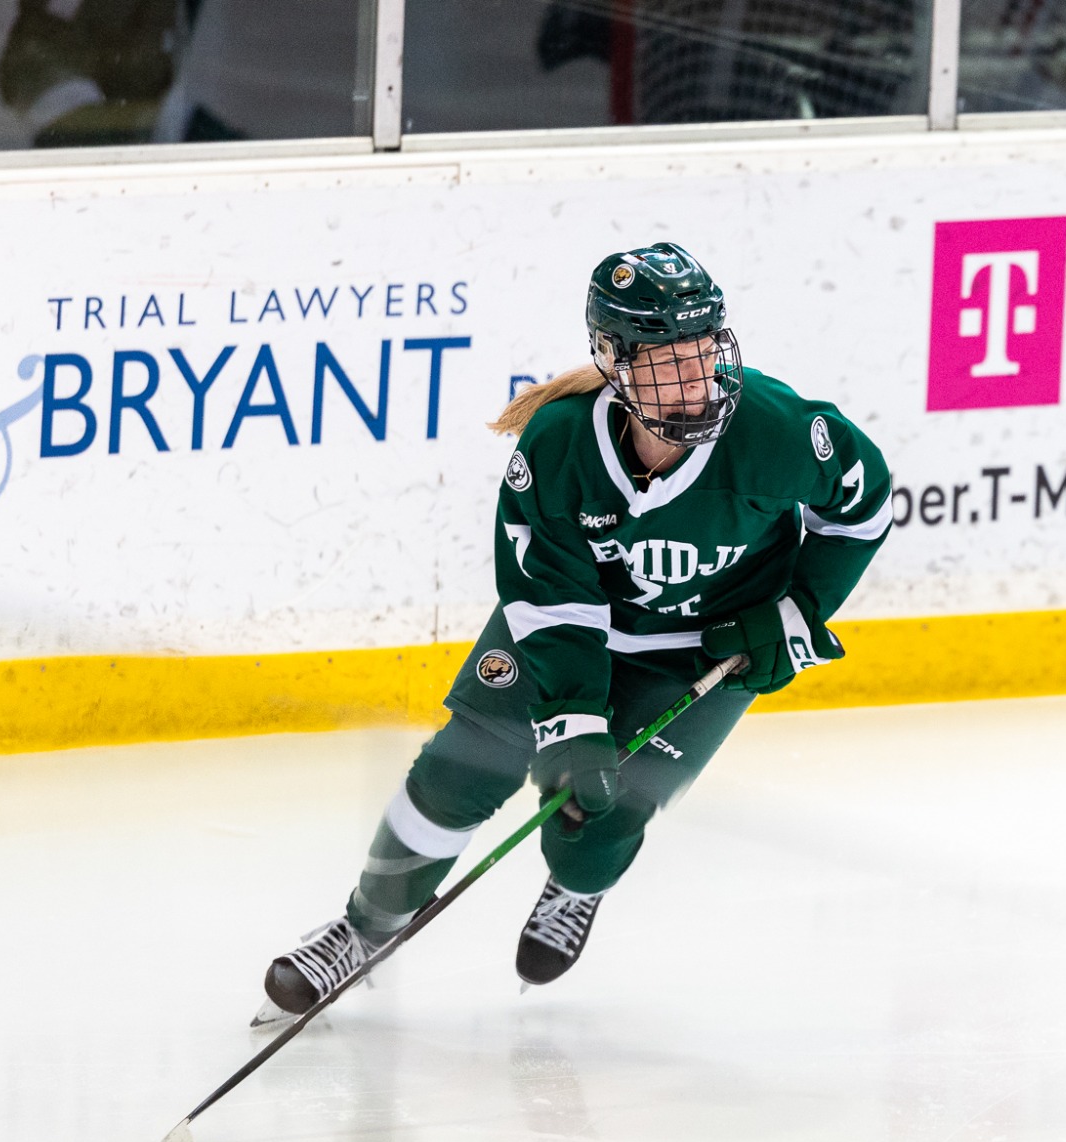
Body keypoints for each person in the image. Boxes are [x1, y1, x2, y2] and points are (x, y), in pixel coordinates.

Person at [254, 242, 893, 1022]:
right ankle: (362, 929)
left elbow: (865, 506)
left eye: (705, 353)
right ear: (615, 362)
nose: (696, 380)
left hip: (702, 647)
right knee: (461, 770)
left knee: (604, 814)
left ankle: (574, 886)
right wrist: (573, 722)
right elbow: (551, 602)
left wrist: (795, 612)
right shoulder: (558, 446)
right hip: (571, 630)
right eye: (668, 362)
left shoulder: (776, 432)